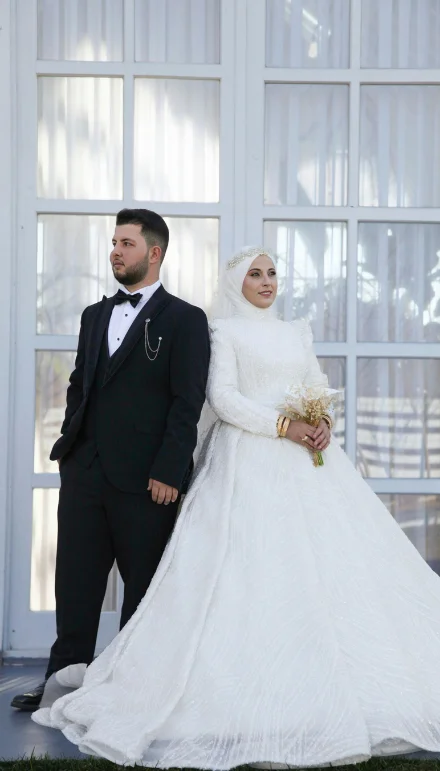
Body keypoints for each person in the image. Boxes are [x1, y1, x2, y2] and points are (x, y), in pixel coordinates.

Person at [33, 246, 440, 768]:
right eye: (255, 274)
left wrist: (320, 421)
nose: (267, 282)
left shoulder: (296, 331)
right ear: (236, 284)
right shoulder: (224, 332)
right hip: (246, 461)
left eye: (272, 273)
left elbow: (315, 384)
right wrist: (283, 426)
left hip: (310, 465)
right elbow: (222, 399)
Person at [12, 208, 210, 712]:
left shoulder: (186, 320)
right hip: (85, 472)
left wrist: (169, 469)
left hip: (148, 481)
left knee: (142, 592)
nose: (115, 252)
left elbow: (187, 401)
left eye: (126, 244)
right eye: (114, 243)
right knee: (75, 584)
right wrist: (70, 447)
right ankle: (60, 682)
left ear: (154, 253)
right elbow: (80, 383)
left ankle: (130, 691)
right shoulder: (93, 315)